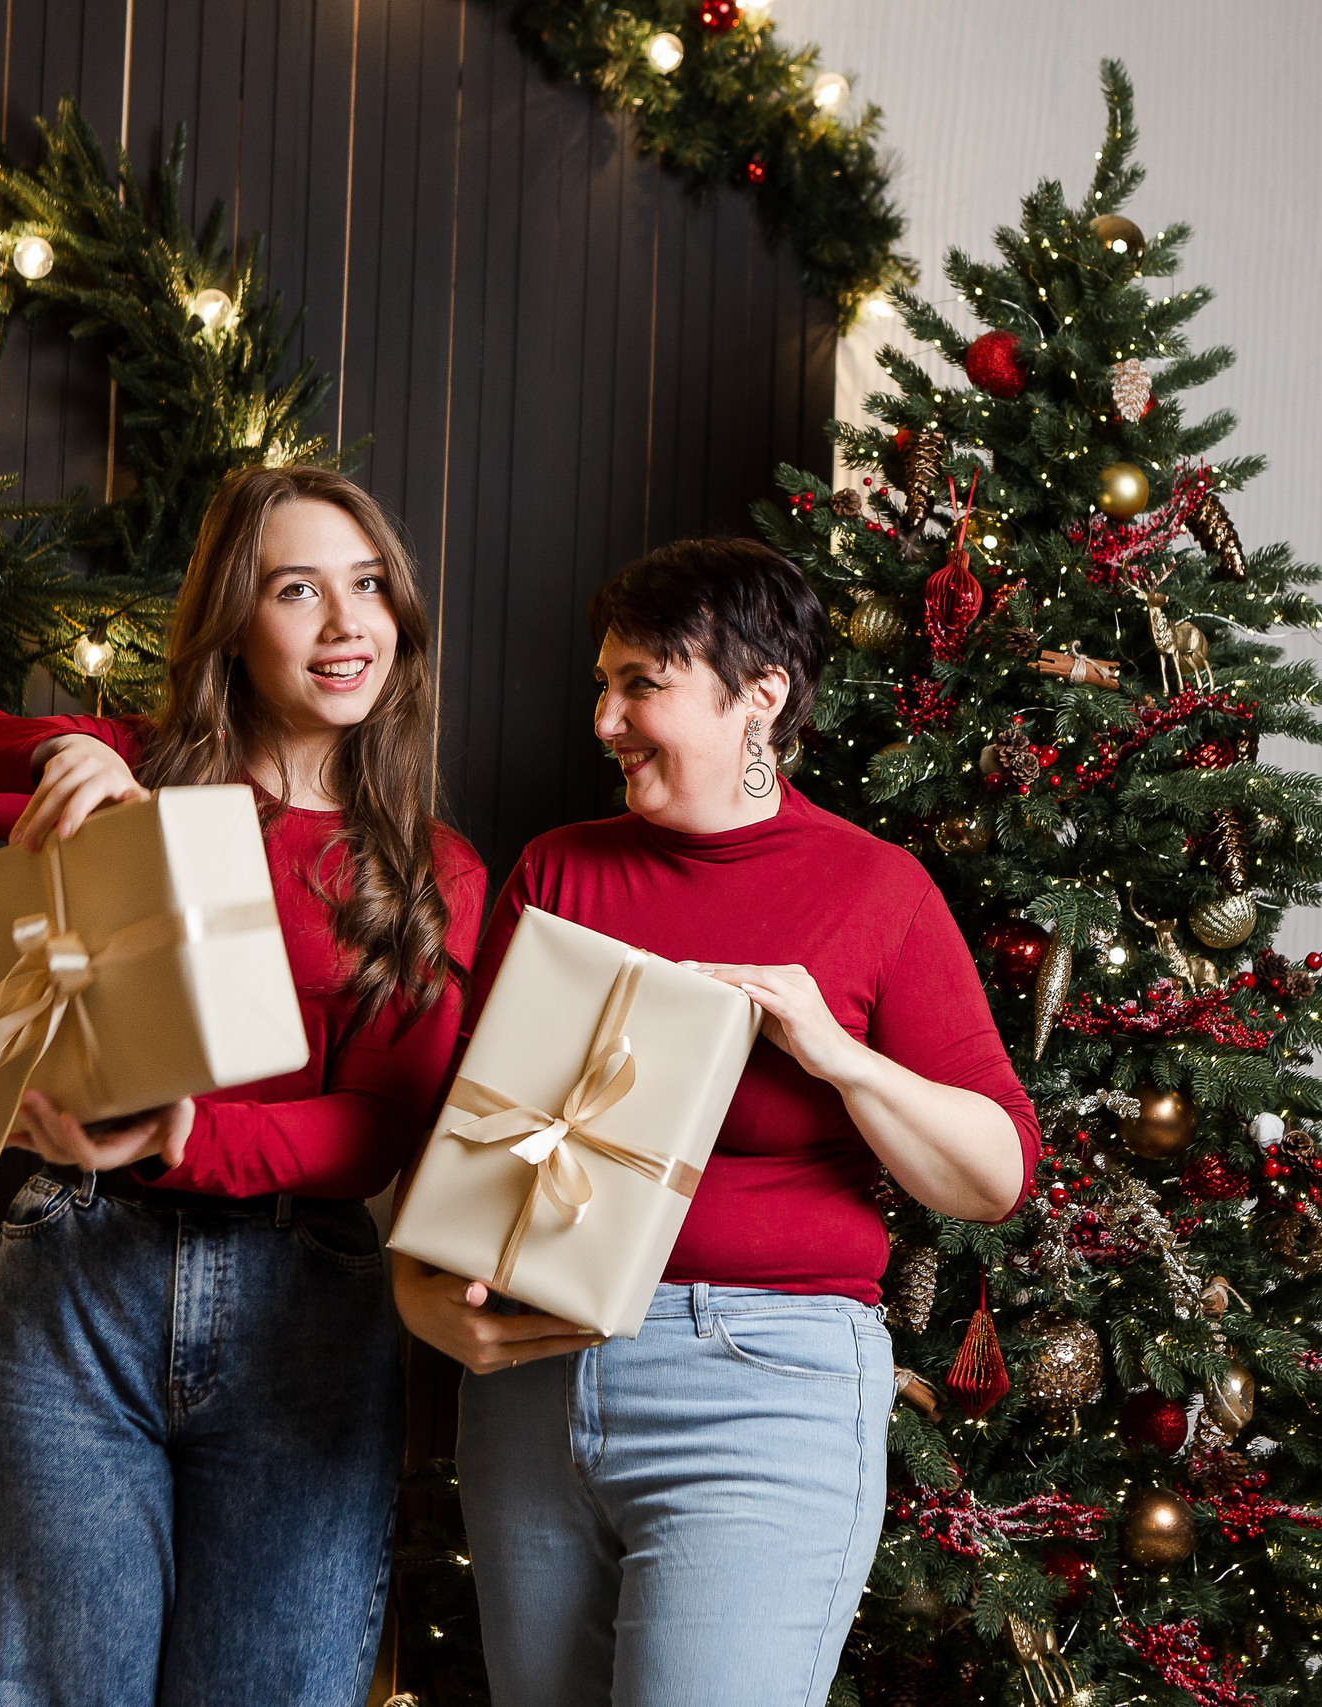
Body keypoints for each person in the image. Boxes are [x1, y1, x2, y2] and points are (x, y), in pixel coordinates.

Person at [0, 465, 485, 1707]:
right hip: (75, 1279)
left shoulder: (431, 869)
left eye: (369, 585)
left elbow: (381, 1131)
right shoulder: (133, 777)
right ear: (234, 621)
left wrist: (190, 1133)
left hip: (307, 1321)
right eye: (297, 589)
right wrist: (56, 743)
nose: (347, 624)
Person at [392, 537, 1039, 1707]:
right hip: (535, 1392)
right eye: (603, 682)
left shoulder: (875, 891)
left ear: (762, 695)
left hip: (761, 1389)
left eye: (643, 684)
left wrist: (839, 1060)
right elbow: (472, 1138)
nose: (605, 718)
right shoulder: (558, 872)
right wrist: (426, 1290)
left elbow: (993, 1176)